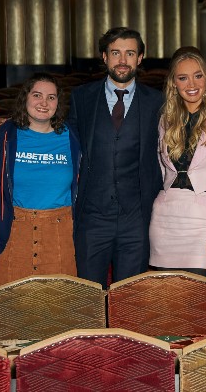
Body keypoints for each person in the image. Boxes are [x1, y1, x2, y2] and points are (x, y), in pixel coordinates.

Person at [66, 27, 164, 288]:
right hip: (92, 218)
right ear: (104, 56)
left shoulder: (158, 101)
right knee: (88, 299)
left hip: (137, 218)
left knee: (129, 301)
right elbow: (63, 140)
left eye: (130, 53)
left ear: (140, 58)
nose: (122, 60)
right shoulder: (82, 97)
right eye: (116, 53)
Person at [148, 46, 206, 277]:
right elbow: (163, 174)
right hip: (164, 221)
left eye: (198, 76)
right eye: (183, 78)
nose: (191, 84)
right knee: (169, 303)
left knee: (195, 303)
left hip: (202, 223)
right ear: (174, 83)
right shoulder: (165, 120)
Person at [0, 72, 81, 289]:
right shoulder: (6, 134)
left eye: (51, 97)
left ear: (59, 102)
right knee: (10, 306)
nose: (44, 103)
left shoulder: (73, 136)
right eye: (37, 95)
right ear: (25, 98)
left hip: (60, 232)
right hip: (13, 229)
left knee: (59, 307)